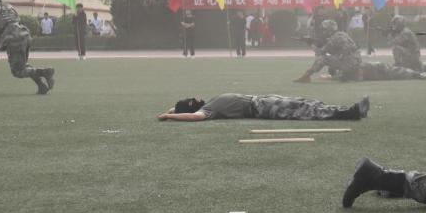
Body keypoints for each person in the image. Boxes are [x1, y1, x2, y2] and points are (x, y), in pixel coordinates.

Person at [296, 20, 426, 83]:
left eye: (325, 29)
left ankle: (307, 75)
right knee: (389, 70)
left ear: (329, 30)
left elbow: (322, 54)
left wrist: (312, 46)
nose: (323, 31)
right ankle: (418, 75)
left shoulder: (335, 38)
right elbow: (337, 53)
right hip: (357, 66)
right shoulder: (341, 35)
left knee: (323, 59)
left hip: (352, 66)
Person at [0, 0, 55, 95]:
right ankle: (41, 85)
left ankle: (44, 72)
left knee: (18, 72)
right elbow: (16, 19)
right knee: (24, 65)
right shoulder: (9, 6)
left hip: (12, 37)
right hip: (24, 34)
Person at [156, 92, 371, 122]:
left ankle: (347, 110)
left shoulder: (209, 103)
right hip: (261, 108)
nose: (195, 98)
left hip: (263, 100)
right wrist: (169, 116)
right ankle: (351, 112)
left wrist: (170, 111)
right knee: (305, 110)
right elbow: (194, 117)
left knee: (307, 103)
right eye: (192, 101)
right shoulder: (207, 110)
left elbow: (181, 109)